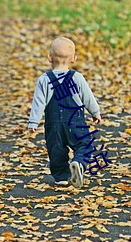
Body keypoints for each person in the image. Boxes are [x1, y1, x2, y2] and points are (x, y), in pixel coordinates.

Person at [28, 37, 101, 188]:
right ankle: (79, 163)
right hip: (75, 121)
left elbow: (38, 103)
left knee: (56, 150)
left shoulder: (44, 80)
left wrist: (33, 122)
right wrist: (95, 112)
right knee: (85, 144)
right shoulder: (77, 78)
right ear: (74, 59)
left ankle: (61, 177)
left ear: (50, 57)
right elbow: (88, 97)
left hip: (53, 124)